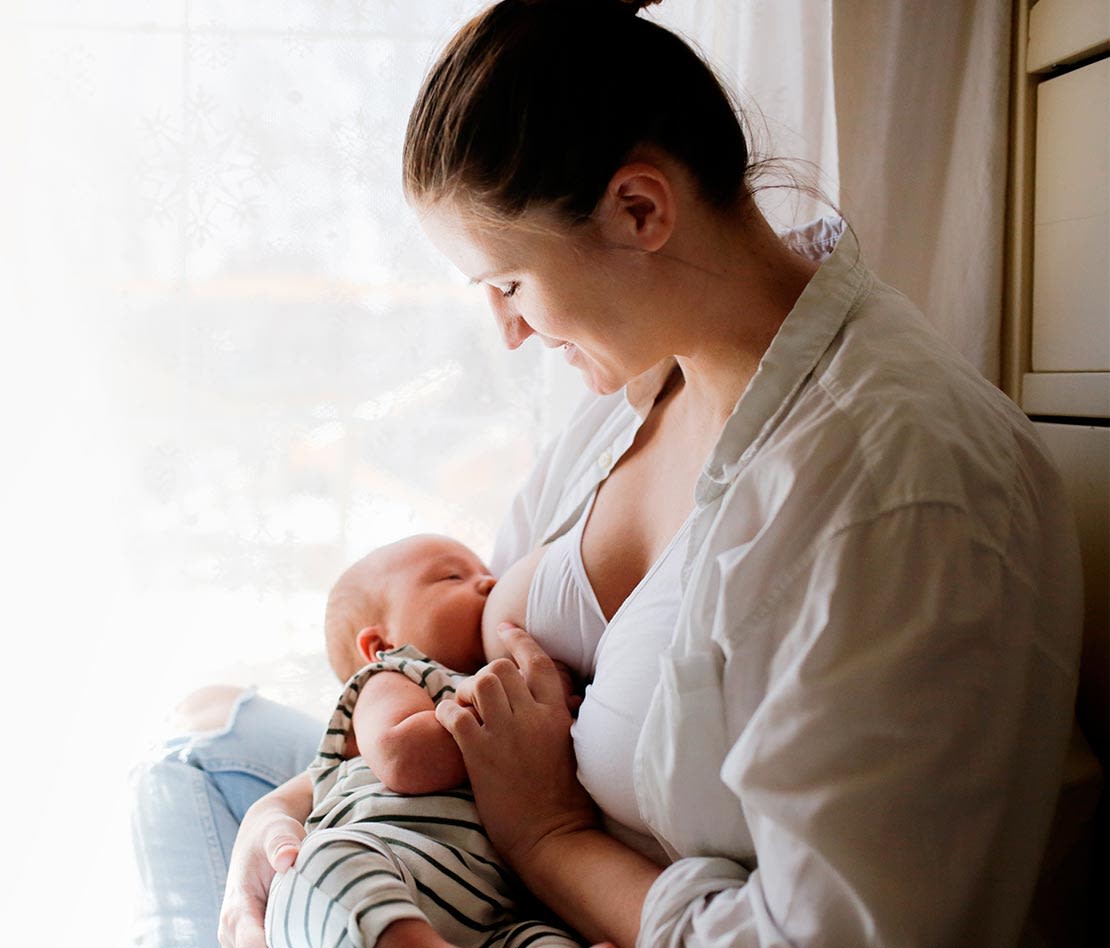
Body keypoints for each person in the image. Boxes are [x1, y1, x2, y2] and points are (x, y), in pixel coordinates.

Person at [132, 1, 1083, 946]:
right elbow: (452, 662)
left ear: (640, 209)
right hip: (472, 850)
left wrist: (546, 834)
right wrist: (288, 812)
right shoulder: (639, 391)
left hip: (538, 900)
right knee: (199, 748)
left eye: (508, 284)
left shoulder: (894, 497)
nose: (507, 333)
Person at [265, 533, 584, 948]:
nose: (488, 584)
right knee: (318, 864)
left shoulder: (500, 681)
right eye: (453, 576)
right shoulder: (394, 676)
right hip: (389, 864)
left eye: (488, 575)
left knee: (545, 939)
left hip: (497, 914)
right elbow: (404, 758)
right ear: (379, 645)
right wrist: (516, 708)